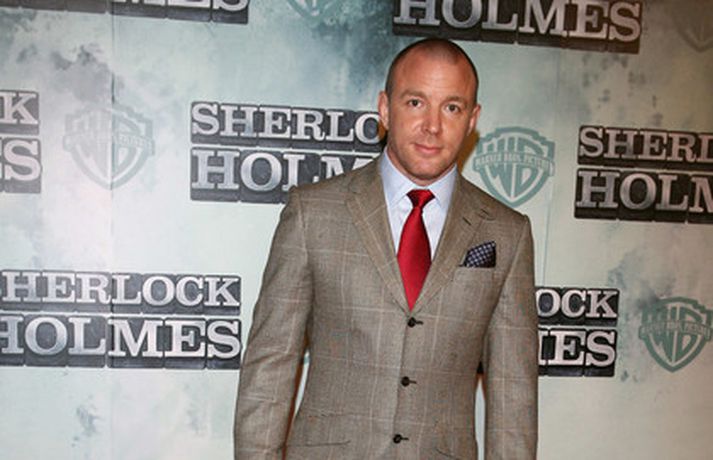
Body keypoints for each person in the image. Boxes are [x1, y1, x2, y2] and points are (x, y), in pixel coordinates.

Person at [234, 38, 538, 459]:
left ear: (472, 119)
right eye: (415, 102)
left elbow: (514, 395)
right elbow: (270, 364)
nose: (432, 126)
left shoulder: (507, 233)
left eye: (452, 107)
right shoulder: (313, 213)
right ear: (384, 108)